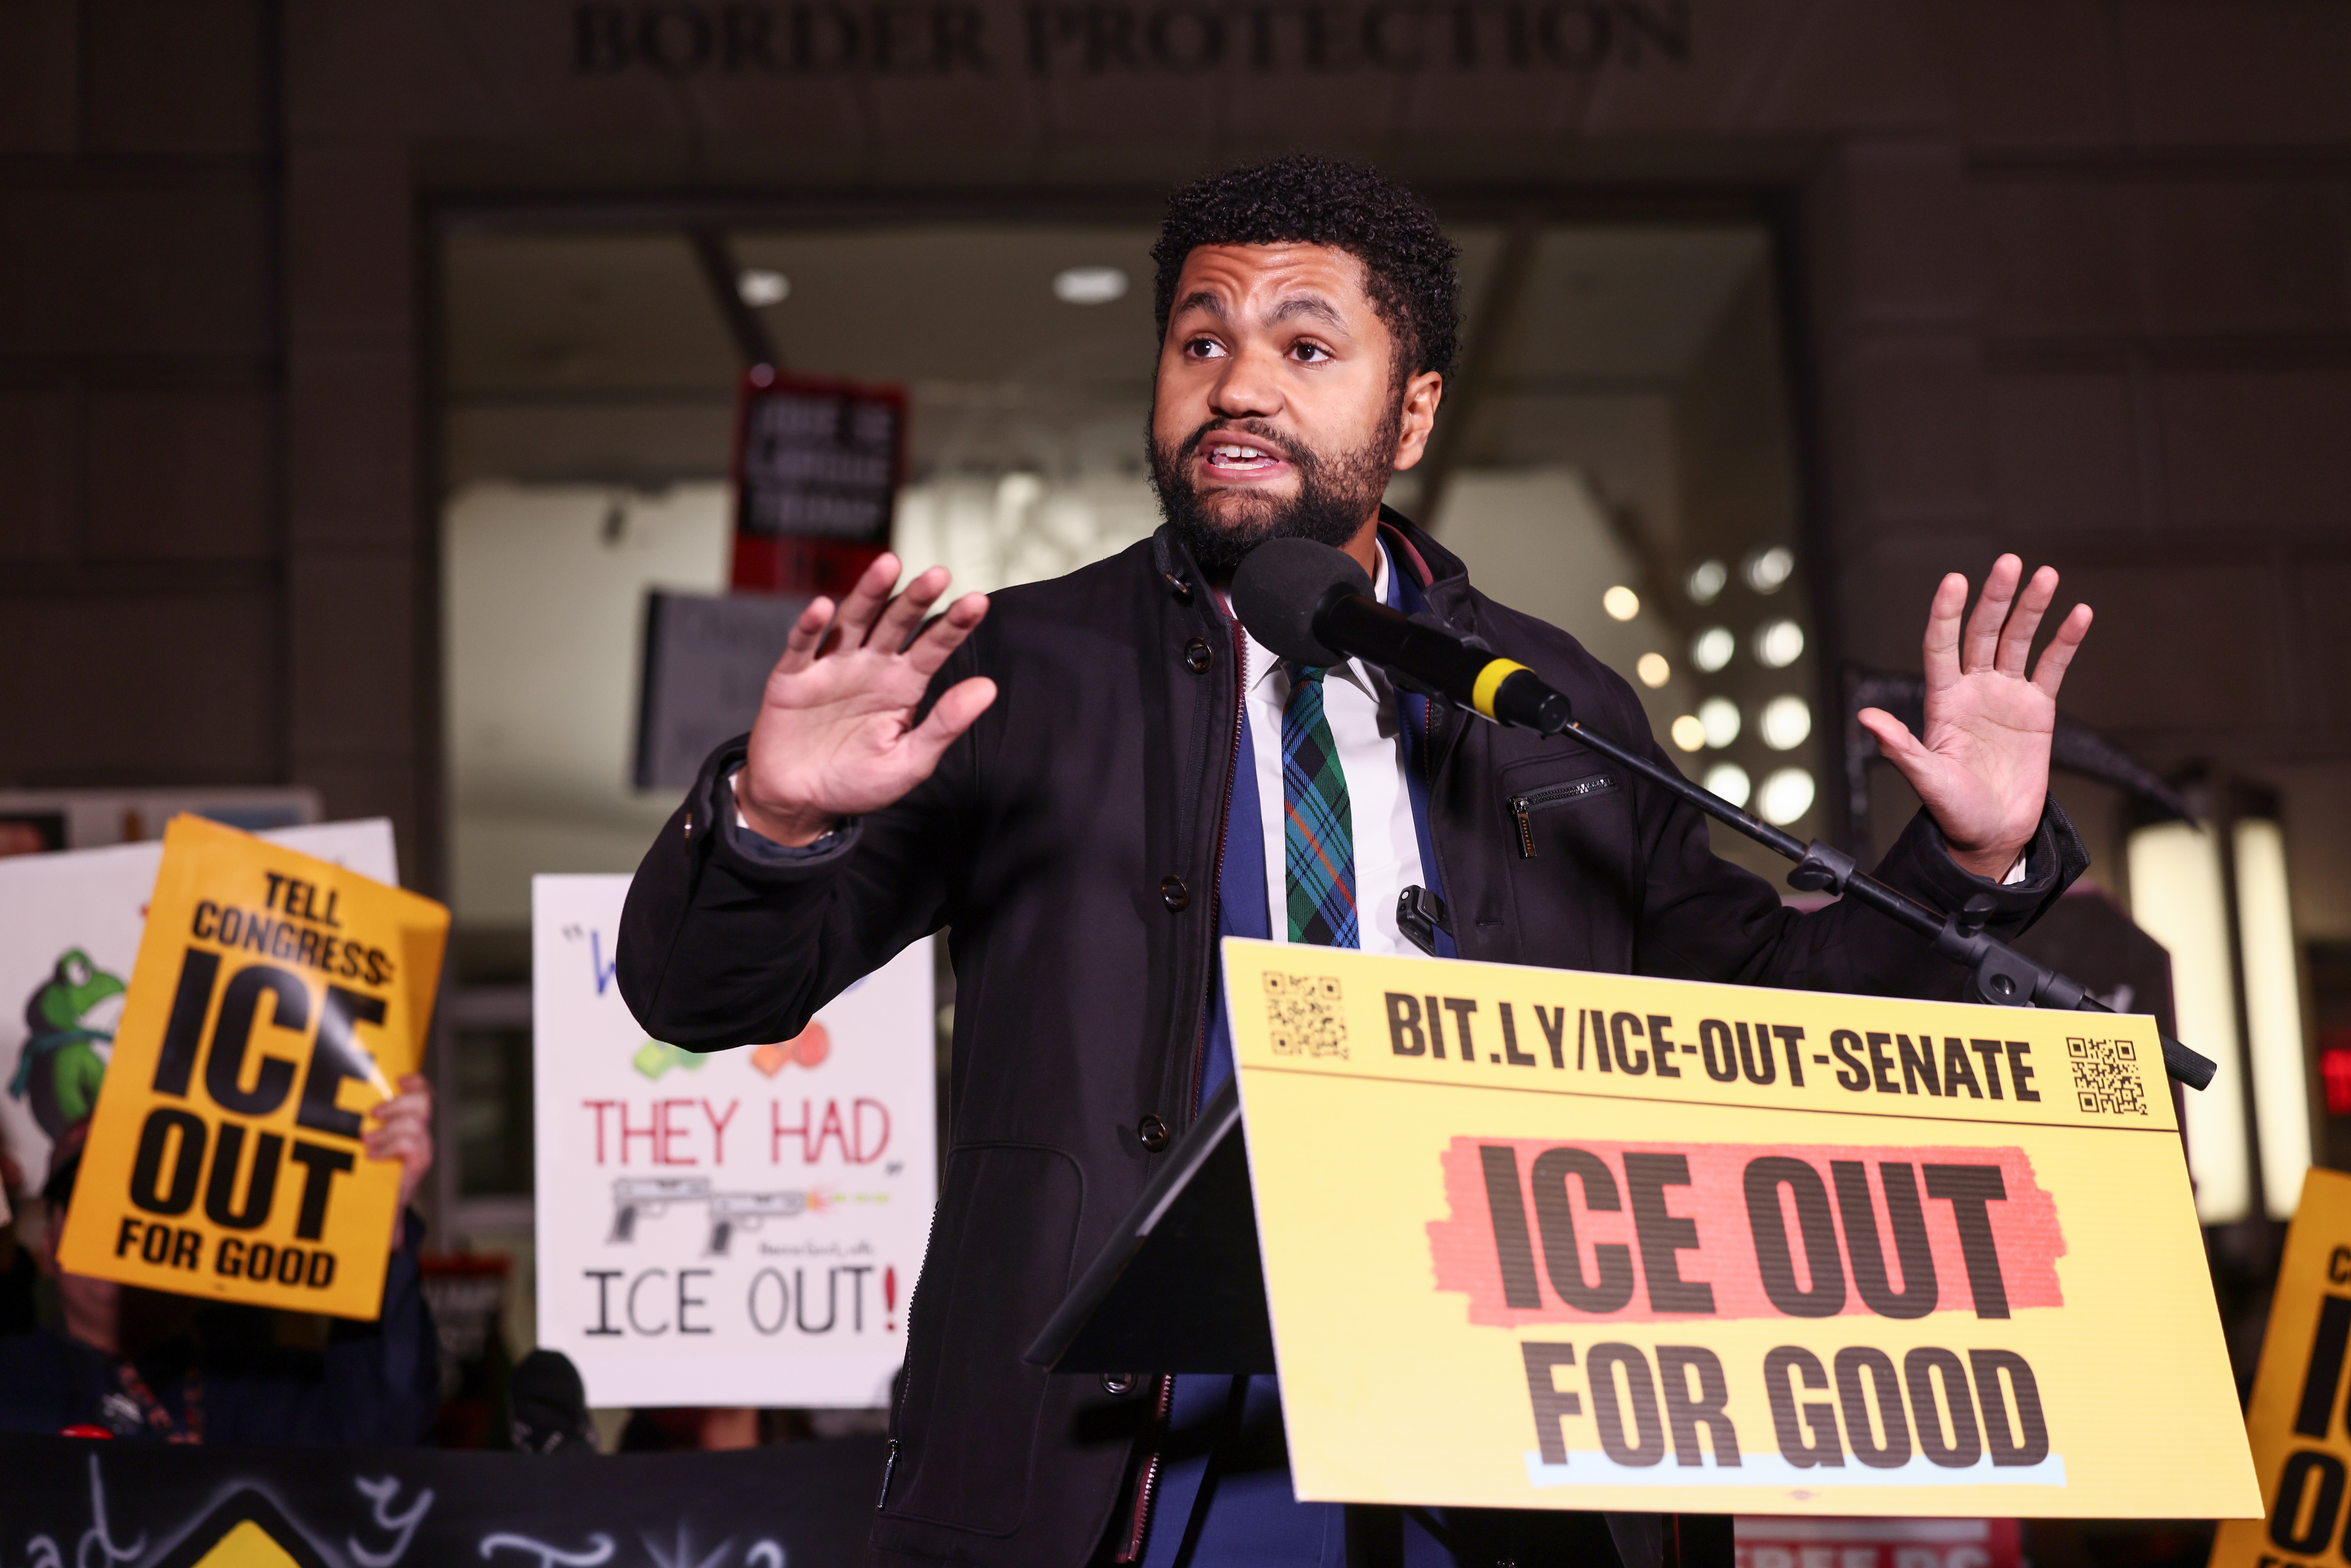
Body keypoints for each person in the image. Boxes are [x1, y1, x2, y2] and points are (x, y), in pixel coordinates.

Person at [617, 156, 2092, 1568]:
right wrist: (775, 820)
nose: (1238, 382)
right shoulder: (1016, 674)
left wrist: (1973, 855)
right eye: (1200, 339)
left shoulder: (1548, 698)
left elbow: (1772, 1019)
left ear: (1412, 413)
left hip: (1505, 1457)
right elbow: (700, 993)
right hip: (1126, 1480)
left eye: (1304, 345)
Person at [0, 1075, 442, 1444]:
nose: (116, 1219)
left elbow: (385, 1432)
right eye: (85, 1194)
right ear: (47, 1246)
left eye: (146, 1188)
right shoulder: (14, 1383)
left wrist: (378, 1230)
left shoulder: (268, 1392)